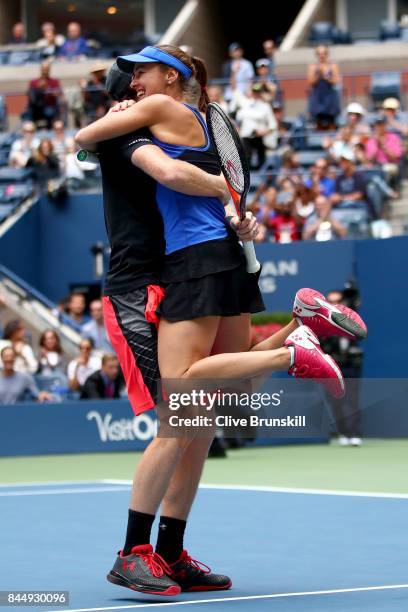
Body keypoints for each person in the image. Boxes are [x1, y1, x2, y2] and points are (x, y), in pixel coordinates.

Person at [75, 44, 365, 596]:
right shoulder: (132, 132)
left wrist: (223, 198)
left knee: (192, 419)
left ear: (169, 77)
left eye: (143, 73)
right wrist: (223, 192)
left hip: (175, 272)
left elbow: (167, 165)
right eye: (129, 78)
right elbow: (142, 161)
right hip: (149, 282)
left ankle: (156, 551)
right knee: (191, 416)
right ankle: (143, 552)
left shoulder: (165, 120)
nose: (136, 83)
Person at [236, 83, 277, 168]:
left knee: (261, 161)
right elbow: (238, 119)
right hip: (246, 137)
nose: (256, 94)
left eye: (258, 92)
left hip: (259, 138)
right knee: (246, 160)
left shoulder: (265, 106)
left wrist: (264, 131)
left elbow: (273, 125)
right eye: (254, 92)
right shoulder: (244, 104)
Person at [307, 45, 340, 130]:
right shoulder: (312, 67)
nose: (322, 56)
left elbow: (336, 81)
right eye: (319, 54)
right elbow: (310, 82)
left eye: (324, 53)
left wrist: (326, 76)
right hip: (317, 98)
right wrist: (318, 75)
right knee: (318, 124)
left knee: (331, 123)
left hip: (330, 98)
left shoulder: (333, 66)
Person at [365, 116, 403, 186]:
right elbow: (369, 160)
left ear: (385, 125)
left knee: (383, 170)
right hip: (375, 167)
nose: (379, 127)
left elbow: (395, 158)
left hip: (390, 165)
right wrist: (377, 145)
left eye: (381, 124)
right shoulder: (371, 140)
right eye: (378, 125)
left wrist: (383, 146)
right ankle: (389, 192)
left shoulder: (393, 137)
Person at [27, 61, 62, 129]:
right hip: (36, 107)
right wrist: (39, 88)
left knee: (49, 112)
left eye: (47, 68)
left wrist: (47, 89)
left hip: (49, 106)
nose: (45, 70)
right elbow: (30, 94)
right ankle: (31, 130)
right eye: (44, 68)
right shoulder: (34, 82)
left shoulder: (54, 81)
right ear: (41, 69)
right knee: (29, 111)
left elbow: (58, 93)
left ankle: (50, 129)